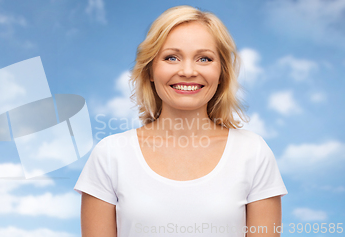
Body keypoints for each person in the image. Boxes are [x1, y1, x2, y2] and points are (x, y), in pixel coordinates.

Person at [74, 5, 288, 237]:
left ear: (221, 74)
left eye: (204, 58)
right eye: (171, 57)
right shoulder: (110, 154)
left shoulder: (253, 153)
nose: (188, 71)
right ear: (150, 71)